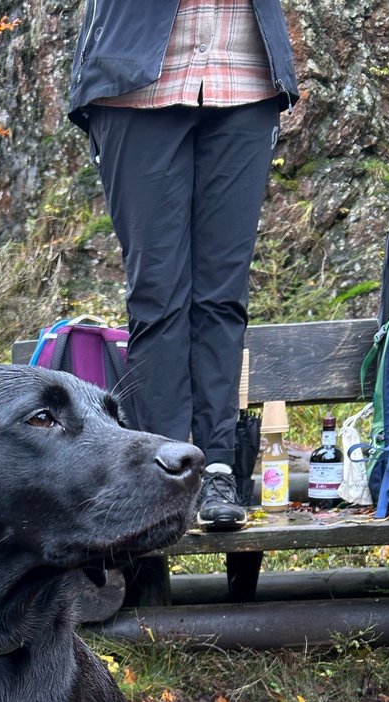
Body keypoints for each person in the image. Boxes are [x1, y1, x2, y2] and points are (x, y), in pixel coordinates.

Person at [68, 0, 299, 591]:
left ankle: (218, 467)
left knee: (223, 297)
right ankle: (167, 475)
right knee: (158, 298)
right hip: (134, 83)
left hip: (244, 77)